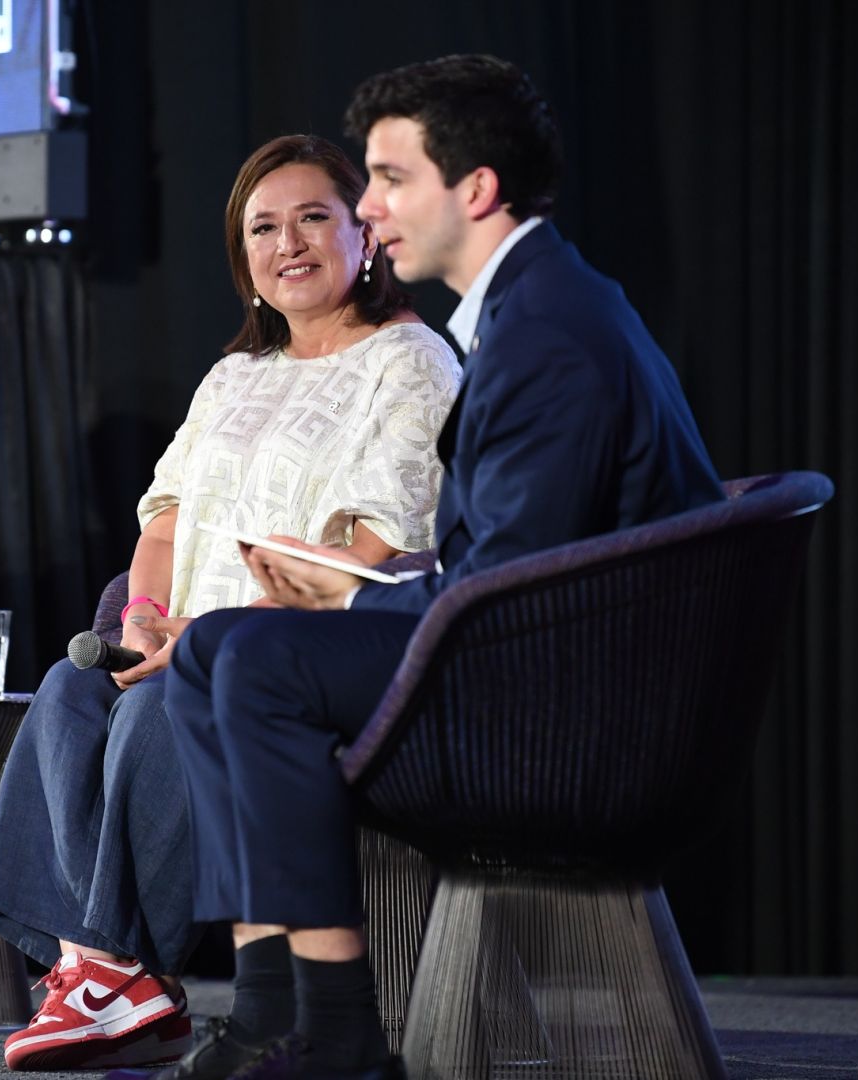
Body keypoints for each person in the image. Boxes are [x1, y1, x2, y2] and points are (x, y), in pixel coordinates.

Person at [149, 55, 725, 1080]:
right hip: (543, 650)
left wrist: (367, 591)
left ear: (476, 189)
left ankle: (338, 1028)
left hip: (580, 712)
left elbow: (510, 592)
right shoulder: (529, 310)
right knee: (216, 647)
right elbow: (511, 555)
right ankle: (270, 1005)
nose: (368, 207)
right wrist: (362, 590)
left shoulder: (549, 333)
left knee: (262, 660)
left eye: (389, 179)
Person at [0, 134, 461, 1071]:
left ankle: (116, 975)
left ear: (363, 232)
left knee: (164, 698)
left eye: (314, 216)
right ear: (243, 261)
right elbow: (163, 524)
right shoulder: (234, 376)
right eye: (262, 228)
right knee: (71, 690)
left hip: (310, 661)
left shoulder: (410, 361)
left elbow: (384, 545)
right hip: (187, 645)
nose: (290, 243)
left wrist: (197, 641)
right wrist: (143, 619)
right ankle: (97, 968)